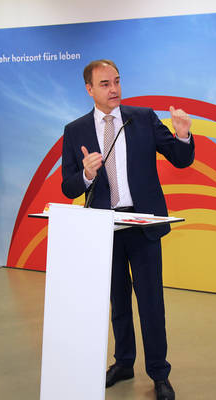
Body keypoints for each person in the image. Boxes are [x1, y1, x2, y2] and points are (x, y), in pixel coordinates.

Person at [61, 59, 195, 400]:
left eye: (117, 81)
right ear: (89, 89)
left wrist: (182, 135)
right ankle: (123, 363)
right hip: (103, 227)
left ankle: (159, 373)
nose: (114, 89)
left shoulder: (143, 118)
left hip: (142, 224)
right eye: (105, 84)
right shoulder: (75, 130)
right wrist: (86, 175)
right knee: (117, 301)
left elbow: (180, 159)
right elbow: (67, 186)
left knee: (151, 302)